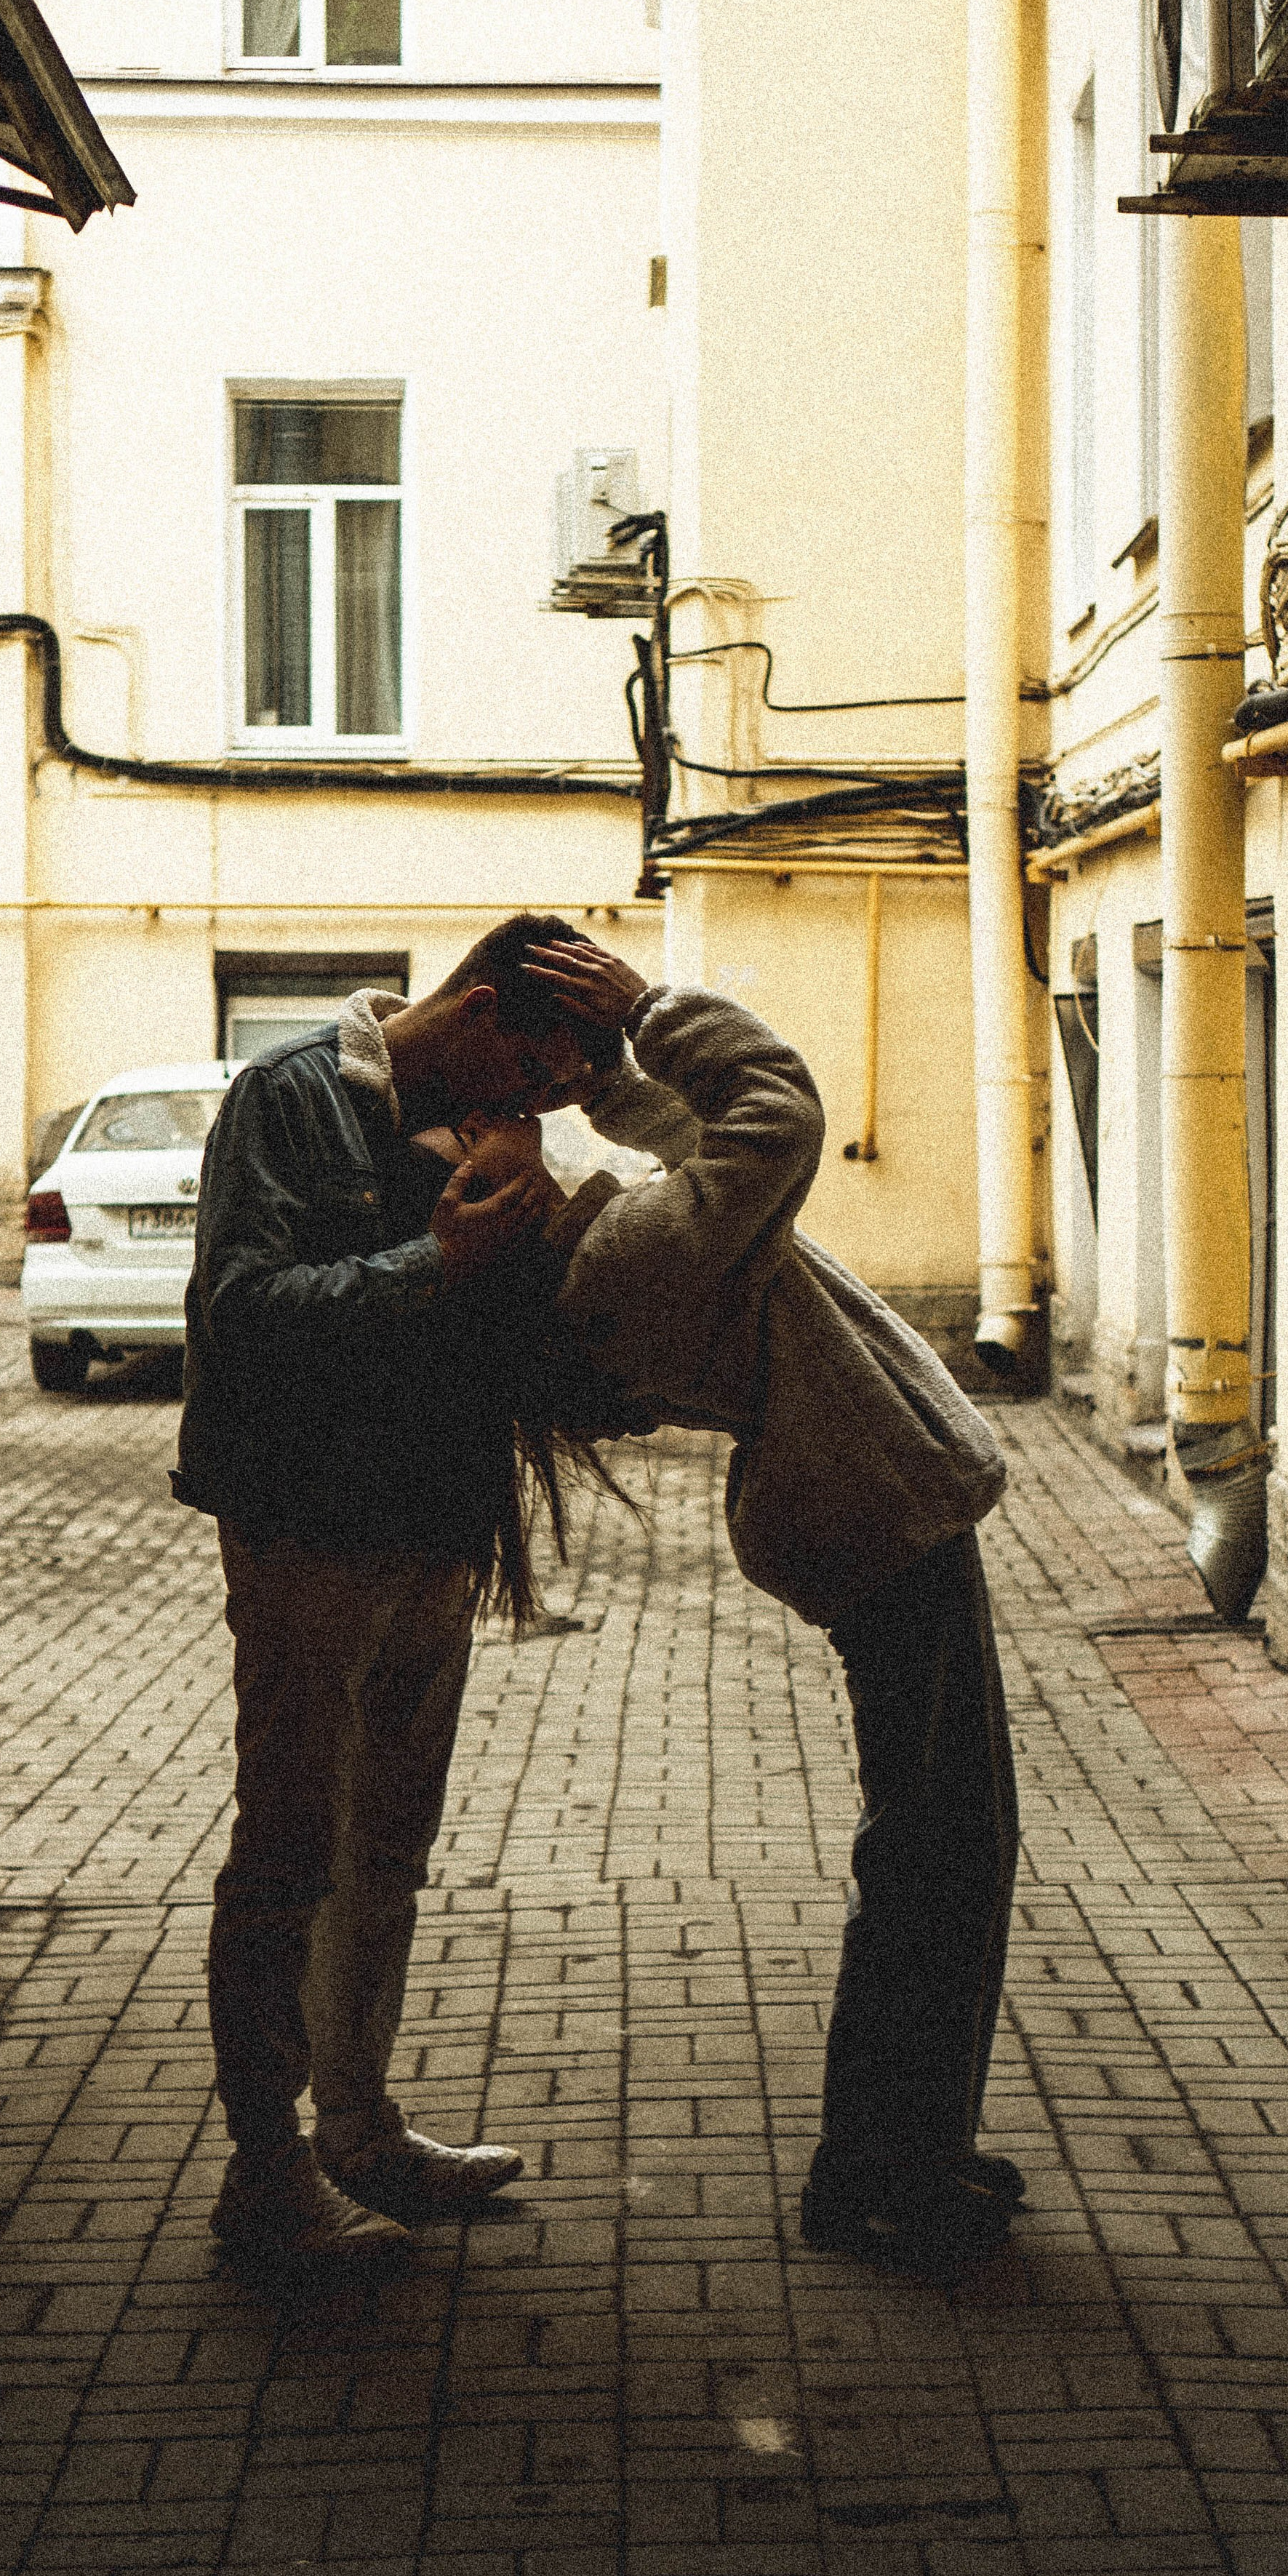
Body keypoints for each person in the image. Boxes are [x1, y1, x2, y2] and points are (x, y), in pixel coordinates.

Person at [428, 935, 1024, 2273]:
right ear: (489, 1203)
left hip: (866, 1504)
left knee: (945, 1837)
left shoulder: (601, 1249)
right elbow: (772, 1118)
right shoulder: (621, 1262)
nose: (512, 1119)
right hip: (875, 1507)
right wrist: (652, 1010)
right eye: (485, 1132)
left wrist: (598, 1079)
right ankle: (880, 2167)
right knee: (941, 1847)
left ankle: (907, 2141)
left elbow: (695, 1146)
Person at [172, 918, 610, 2273]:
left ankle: (357, 2132)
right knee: (289, 1851)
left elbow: (508, 1345)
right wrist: (440, 1264)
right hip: (306, 1534)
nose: (532, 1107)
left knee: (386, 1852)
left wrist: (534, 1234)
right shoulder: (290, 1095)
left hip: (428, 1535)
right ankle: (263, 2174)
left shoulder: (472, 1135)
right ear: (478, 1011)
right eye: (535, 1076)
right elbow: (240, 1310)